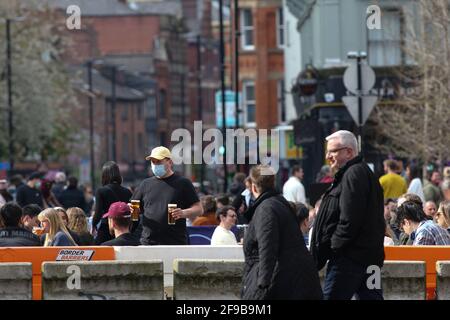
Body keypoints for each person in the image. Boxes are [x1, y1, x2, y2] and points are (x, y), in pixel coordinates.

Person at [310, 130, 385, 300]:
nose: (328, 156)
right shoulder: (361, 173)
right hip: (368, 258)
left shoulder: (353, 174)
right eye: (327, 151)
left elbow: (350, 219)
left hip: (349, 259)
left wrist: (334, 248)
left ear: (349, 152)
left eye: (333, 151)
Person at [241, 165, 323, 300]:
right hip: (294, 279)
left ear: (254, 187)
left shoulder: (266, 209)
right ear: (273, 182)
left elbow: (268, 248)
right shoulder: (281, 203)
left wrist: (262, 287)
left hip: (282, 281)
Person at [131, 146, 203, 245]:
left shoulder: (183, 183)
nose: (155, 165)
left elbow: (199, 209)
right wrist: (131, 210)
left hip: (175, 242)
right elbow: (134, 208)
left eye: (159, 162)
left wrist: (183, 213)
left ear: (170, 162)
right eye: (153, 162)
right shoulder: (145, 184)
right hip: (149, 242)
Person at [93, 161, 132, 244]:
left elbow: (98, 213)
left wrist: (93, 225)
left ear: (104, 175)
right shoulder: (127, 192)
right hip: (123, 229)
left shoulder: (101, 191)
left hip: (106, 228)